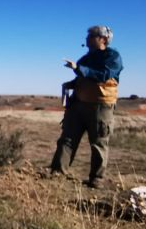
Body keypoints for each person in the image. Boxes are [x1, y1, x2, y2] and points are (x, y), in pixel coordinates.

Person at [50, 25, 123, 187]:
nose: (87, 39)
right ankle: (57, 173)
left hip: (100, 106)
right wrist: (71, 83)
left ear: (103, 39)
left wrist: (78, 68)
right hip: (78, 105)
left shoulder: (113, 57)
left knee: (98, 143)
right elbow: (83, 77)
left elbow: (103, 75)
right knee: (67, 139)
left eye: (91, 36)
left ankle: (96, 179)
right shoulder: (86, 58)